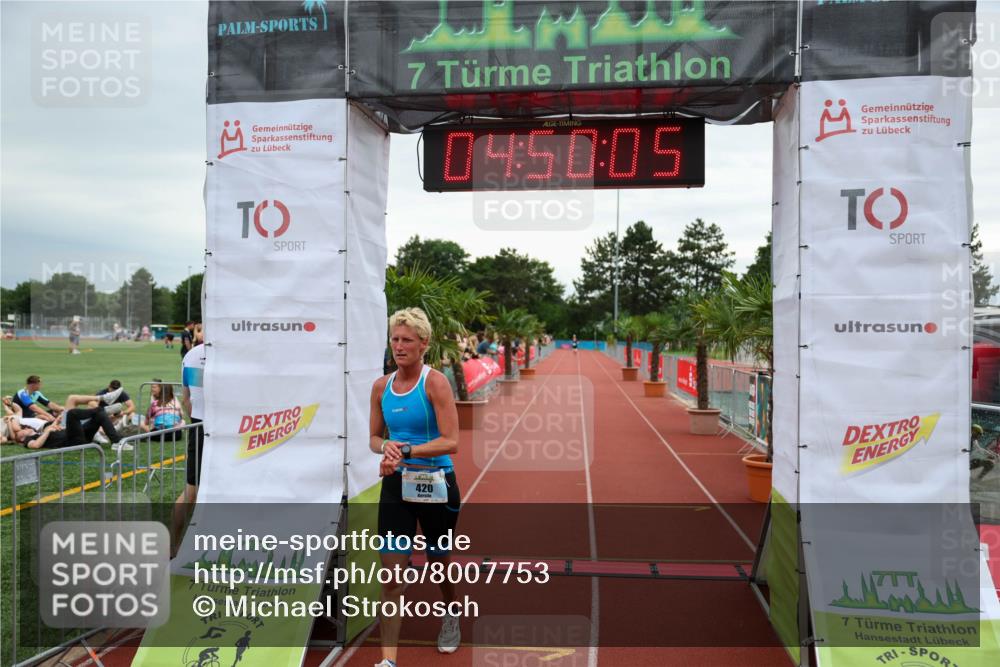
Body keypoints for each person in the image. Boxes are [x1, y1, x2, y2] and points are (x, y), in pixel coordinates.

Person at [369, 307, 461, 667]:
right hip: (396, 487)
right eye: (395, 339)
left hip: (437, 484)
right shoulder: (381, 386)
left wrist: (407, 449)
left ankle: (451, 612)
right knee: (392, 576)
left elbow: (451, 441)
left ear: (424, 344)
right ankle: (388, 662)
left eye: (407, 340)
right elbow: (374, 438)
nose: (399, 346)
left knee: (439, 563)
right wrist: (386, 447)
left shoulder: (435, 382)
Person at [172, 327, 206, 556]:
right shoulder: (236, 353)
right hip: (228, 428)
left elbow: (186, 398)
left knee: (191, 491)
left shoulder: (192, 354)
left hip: (199, 425)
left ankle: (172, 547)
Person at [17, 406, 122, 449]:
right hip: (72, 441)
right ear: (21, 438)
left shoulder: (38, 433)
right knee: (72, 413)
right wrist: (47, 432)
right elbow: (35, 446)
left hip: (79, 436)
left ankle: (116, 442)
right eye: (22, 430)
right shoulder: (28, 440)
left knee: (99, 416)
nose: (25, 428)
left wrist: (56, 422)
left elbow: (52, 429)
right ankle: (100, 409)